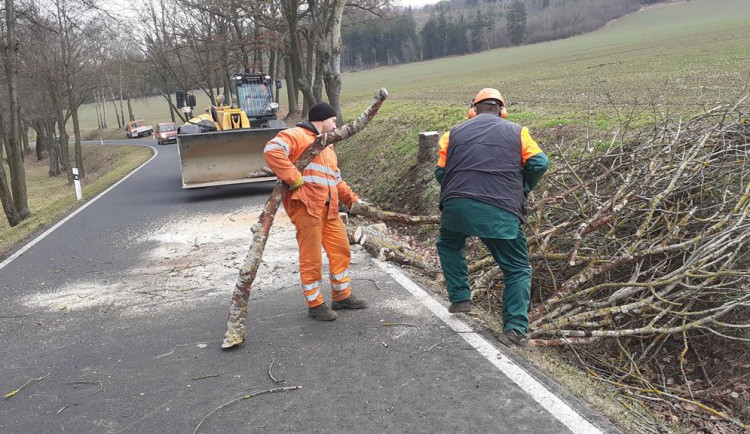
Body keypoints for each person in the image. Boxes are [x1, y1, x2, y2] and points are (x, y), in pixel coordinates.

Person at [435, 88, 548, 348]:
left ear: (472, 111)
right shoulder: (518, 132)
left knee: (449, 244)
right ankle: (515, 330)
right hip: (500, 210)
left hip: (457, 206)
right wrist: (523, 189)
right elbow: (540, 163)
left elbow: (441, 173)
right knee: (517, 268)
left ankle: (461, 297)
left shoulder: (451, 135)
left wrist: (457, 188)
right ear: (502, 111)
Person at [264, 102, 367, 321]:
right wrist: (293, 177)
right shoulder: (296, 135)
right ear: (322, 119)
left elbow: (335, 179)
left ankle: (341, 296)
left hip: (329, 209)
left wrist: (352, 200)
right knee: (311, 258)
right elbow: (271, 150)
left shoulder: (327, 146)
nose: (335, 124)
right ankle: (315, 304)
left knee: (341, 250)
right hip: (306, 207)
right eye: (333, 120)